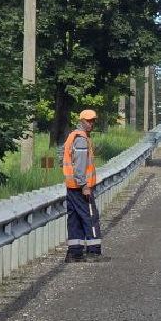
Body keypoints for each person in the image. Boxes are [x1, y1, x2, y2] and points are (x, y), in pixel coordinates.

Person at [62, 109, 102, 261]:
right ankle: (93, 252)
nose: (91, 123)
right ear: (81, 121)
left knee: (74, 218)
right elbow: (79, 166)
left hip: (72, 186)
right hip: (80, 187)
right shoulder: (80, 139)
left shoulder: (72, 136)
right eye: (88, 120)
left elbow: (63, 158)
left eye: (93, 120)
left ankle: (74, 252)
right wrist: (84, 185)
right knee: (90, 216)